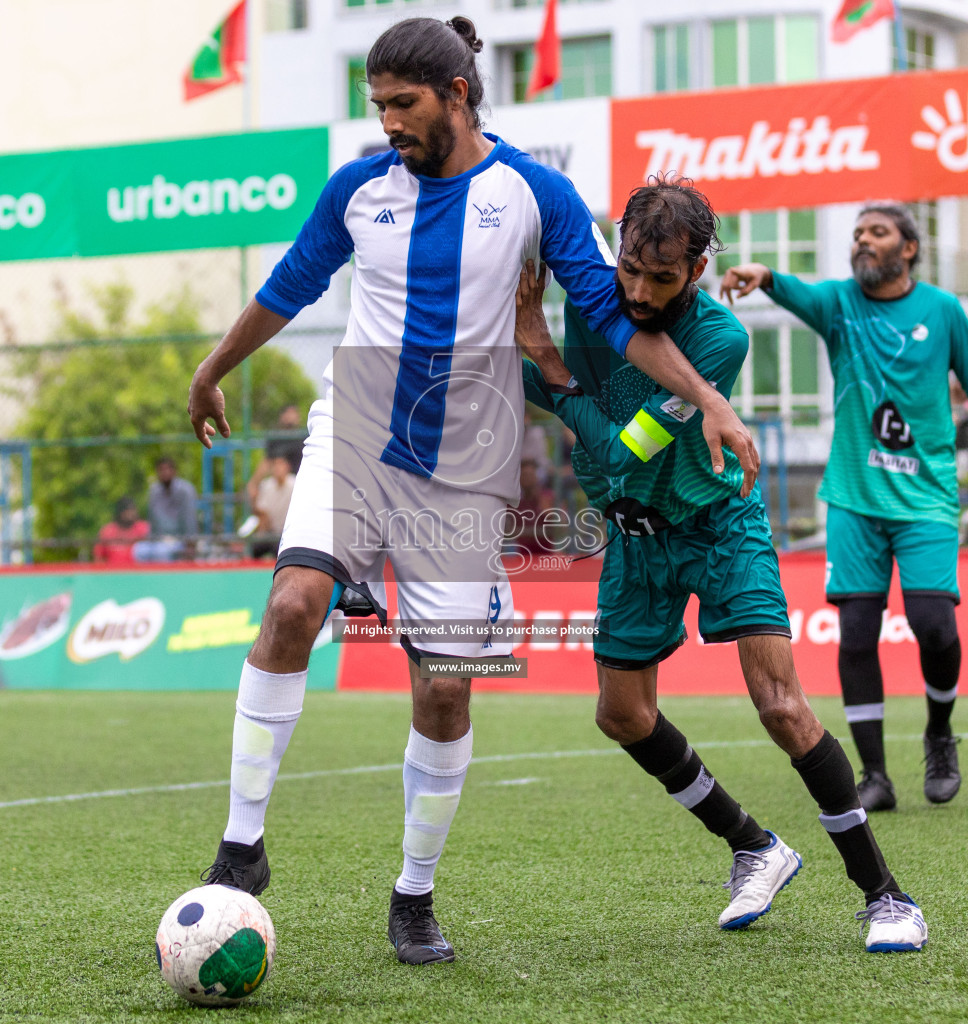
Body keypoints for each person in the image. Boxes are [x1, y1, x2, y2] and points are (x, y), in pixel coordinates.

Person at [185, 16, 760, 967]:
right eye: (376, 107)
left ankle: (413, 897)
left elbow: (618, 325)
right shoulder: (358, 191)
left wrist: (708, 399)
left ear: (456, 94)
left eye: (401, 105)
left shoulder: (534, 193)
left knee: (445, 690)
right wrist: (212, 368)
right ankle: (240, 849)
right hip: (357, 426)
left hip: (463, 465)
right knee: (292, 602)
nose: (387, 125)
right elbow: (288, 286)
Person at [519, 181, 927, 953]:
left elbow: (617, 446)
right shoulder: (592, 297)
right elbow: (549, 394)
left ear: (699, 269)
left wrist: (546, 359)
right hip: (632, 539)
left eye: (661, 279)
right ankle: (753, 846)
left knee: (781, 707)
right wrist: (535, 367)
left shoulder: (719, 340)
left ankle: (886, 897)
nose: (637, 293)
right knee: (621, 715)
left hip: (719, 524)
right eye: (629, 271)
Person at [723, 206, 968, 814]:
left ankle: (938, 731)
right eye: (857, 233)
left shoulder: (945, 311)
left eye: (876, 232)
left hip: (928, 498)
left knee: (935, 625)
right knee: (855, 632)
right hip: (852, 496)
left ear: (908, 248)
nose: (862, 241)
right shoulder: (840, 305)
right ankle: (874, 774)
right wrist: (764, 275)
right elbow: (799, 292)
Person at [137, 457, 199, 563]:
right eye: (161, 470)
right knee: (139, 550)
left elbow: (190, 519)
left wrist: (190, 544)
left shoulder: (185, 490)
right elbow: (152, 519)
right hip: (158, 540)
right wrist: (151, 538)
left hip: (180, 540)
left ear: (174, 471)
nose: (165, 473)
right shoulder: (154, 491)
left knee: (162, 552)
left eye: (168, 469)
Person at [245, 444, 298, 559]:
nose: (277, 468)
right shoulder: (267, 485)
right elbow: (263, 516)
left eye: (280, 464)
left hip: (288, 534)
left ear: (287, 466)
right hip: (271, 533)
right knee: (254, 547)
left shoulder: (295, 484)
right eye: (275, 464)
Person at [509, 457, 555, 556]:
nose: (527, 479)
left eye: (530, 475)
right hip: (522, 554)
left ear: (537, 476)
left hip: (545, 554)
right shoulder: (514, 502)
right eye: (524, 475)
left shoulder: (546, 497)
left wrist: (545, 508)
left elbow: (558, 525)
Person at [94, 496, 148, 565]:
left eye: (133, 510)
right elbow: (98, 557)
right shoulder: (107, 531)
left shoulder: (143, 528)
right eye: (129, 510)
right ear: (121, 512)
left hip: (137, 572)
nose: (132, 514)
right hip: (113, 572)